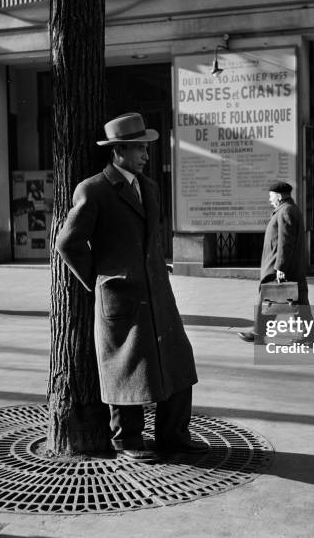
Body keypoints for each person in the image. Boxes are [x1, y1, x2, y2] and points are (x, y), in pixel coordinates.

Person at [55, 112, 208, 464]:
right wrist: (101, 277)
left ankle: (174, 435)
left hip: (157, 293)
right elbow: (68, 243)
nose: (145, 154)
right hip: (120, 297)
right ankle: (128, 440)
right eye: (139, 148)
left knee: (177, 361)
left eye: (146, 147)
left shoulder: (149, 187)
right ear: (118, 150)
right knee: (127, 368)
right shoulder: (93, 190)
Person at [237, 181, 312, 344]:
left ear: (278, 196)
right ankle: (307, 337)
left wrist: (280, 267)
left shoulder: (286, 211)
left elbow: (286, 242)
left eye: (271, 197)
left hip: (281, 267)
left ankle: (259, 333)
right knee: (294, 303)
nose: (270, 200)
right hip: (288, 267)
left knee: (269, 300)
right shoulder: (288, 209)